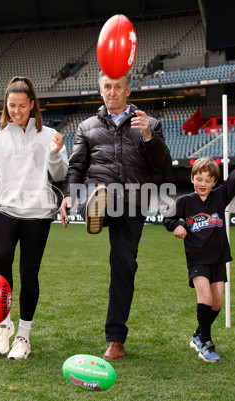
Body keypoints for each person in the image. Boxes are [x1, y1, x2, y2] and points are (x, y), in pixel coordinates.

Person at [60, 71, 172, 361]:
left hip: (134, 202)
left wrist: (148, 135)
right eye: (107, 87)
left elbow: (163, 166)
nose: (112, 92)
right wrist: (69, 194)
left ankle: (115, 340)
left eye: (117, 87)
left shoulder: (150, 124)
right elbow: (75, 167)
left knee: (124, 267)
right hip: (99, 187)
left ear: (128, 90)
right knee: (96, 195)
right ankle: (93, 209)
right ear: (101, 91)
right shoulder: (86, 127)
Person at [0, 76, 68, 360]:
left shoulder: (50, 136)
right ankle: (3, 326)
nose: (17, 111)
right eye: (12, 105)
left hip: (38, 212)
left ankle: (23, 335)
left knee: (28, 271)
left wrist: (55, 154)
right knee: (1, 259)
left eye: (22, 105)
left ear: (32, 104)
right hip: (5, 209)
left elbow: (61, 175)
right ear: (6, 106)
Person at [162, 140, 235, 362]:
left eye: (208, 180)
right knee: (205, 297)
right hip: (197, 259)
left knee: (217, 303)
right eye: (199, 179)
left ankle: (198, 334)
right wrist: (177, 226)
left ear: (214, 182)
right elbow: (167, 218)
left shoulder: (220, 196)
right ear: (192, 179)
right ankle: (206, 344)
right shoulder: (184, 201)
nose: (202, 183)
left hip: (218, 258)